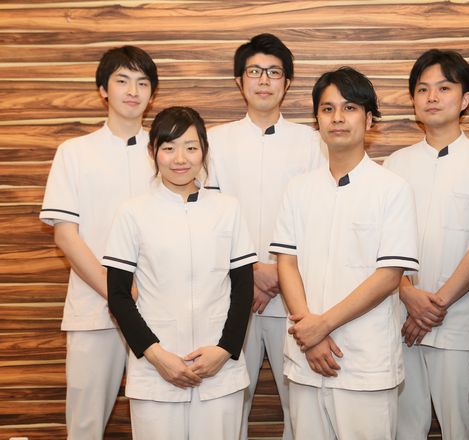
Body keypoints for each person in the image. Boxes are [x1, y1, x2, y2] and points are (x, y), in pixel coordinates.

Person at [270, 67, 419, 440]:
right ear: (317, 121)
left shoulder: (392, 189)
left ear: (368, 120)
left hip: (365, 363)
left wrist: (323, 325)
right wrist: (310, 331)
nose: (337, 117)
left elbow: (389, 276)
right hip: (306, 357)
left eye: (349, 107)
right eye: (327, 109)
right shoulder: (298, 189)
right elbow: (287, 264)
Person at [102, 106, 257, 439]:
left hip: (219, 369)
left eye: (190, 147)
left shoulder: (228, 209)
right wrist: (157, 356)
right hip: (156, 370)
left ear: (204, 151)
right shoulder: (132, 213)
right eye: (169, 148)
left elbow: (243, 288)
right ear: (152, 152)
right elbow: (118, 296)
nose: (180, 159)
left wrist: (225, 349)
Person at [383, 49, 469, 440]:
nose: (432, 97)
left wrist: (434, 305)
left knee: (463, 428)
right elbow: (380, 244)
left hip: (457, 322)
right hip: (401, 319)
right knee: (403, 427)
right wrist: (409, 296)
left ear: (465, 99)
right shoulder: (394, 165)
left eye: (443, 88)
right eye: (423, 89)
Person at [206, 33, 326, 440]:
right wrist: (251, 270)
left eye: (273, 72)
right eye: (254, 71)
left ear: (287, 83)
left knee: (301, 402)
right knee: (229, 401)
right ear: (239, 81)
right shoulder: (213, 142)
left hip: (295, 297)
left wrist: (276, 271)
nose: (263, 80)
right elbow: (209, 218)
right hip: (230, 294)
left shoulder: (313, 143)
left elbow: (319, 216)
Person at [39, 45, 158, 440]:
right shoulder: (74, 153)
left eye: (142, 83)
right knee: (86, 425)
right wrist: (117, 293)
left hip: (157, 310)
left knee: (158, 421)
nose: (133, 91)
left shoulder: (168, 153)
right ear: (103, 89)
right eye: (122, 81)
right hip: (95, 310)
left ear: (152, 94)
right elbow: (65, 235)